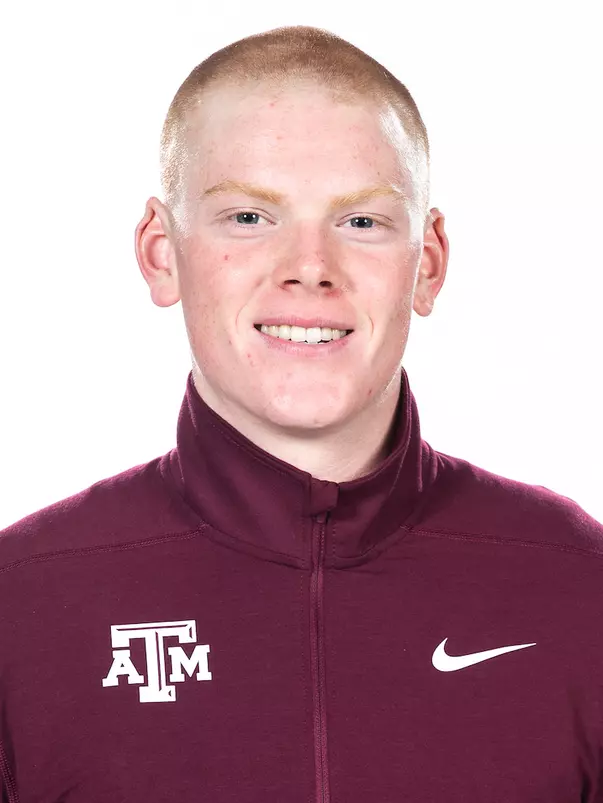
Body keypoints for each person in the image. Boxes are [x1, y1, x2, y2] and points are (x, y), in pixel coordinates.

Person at [0, 23, 601, 803]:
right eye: (249, 217)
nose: (310, 270)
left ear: (427, 263)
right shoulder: (25, 603)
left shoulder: (576, 584)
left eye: (360, 222)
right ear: (159, 251)